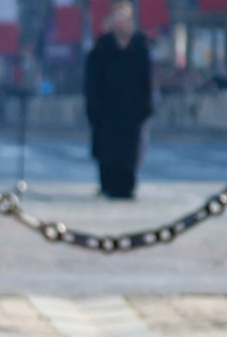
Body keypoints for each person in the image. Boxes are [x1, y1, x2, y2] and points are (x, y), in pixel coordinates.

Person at [84, 1, 152, 200]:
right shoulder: (101, 48)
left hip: (131, 112)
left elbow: (146, 81)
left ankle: (127, 186)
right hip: (107, 112)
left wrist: (146, 107)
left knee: (129, 153)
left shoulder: (140, 48)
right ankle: (108, 185)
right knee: (108, 153)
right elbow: (92, 83)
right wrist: (93, 109)